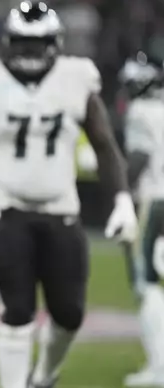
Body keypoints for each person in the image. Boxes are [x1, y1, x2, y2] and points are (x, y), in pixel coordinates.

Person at [0, 1, 138, 388]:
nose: (29, 52)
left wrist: (123, 200)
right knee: (16, 310)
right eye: (23, 43)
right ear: (8, 42)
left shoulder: (75, 78)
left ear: (55, 43)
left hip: (62, 208)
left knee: (70, 313)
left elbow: (104, 145)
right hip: (5, 206)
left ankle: (44, 376)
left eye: (37, 43)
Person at [119, 51, 164, 387]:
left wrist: (119, 193)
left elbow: (139, 157)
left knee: (146, 284)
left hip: (154, 200)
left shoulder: (140, 111)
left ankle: (160, 366)